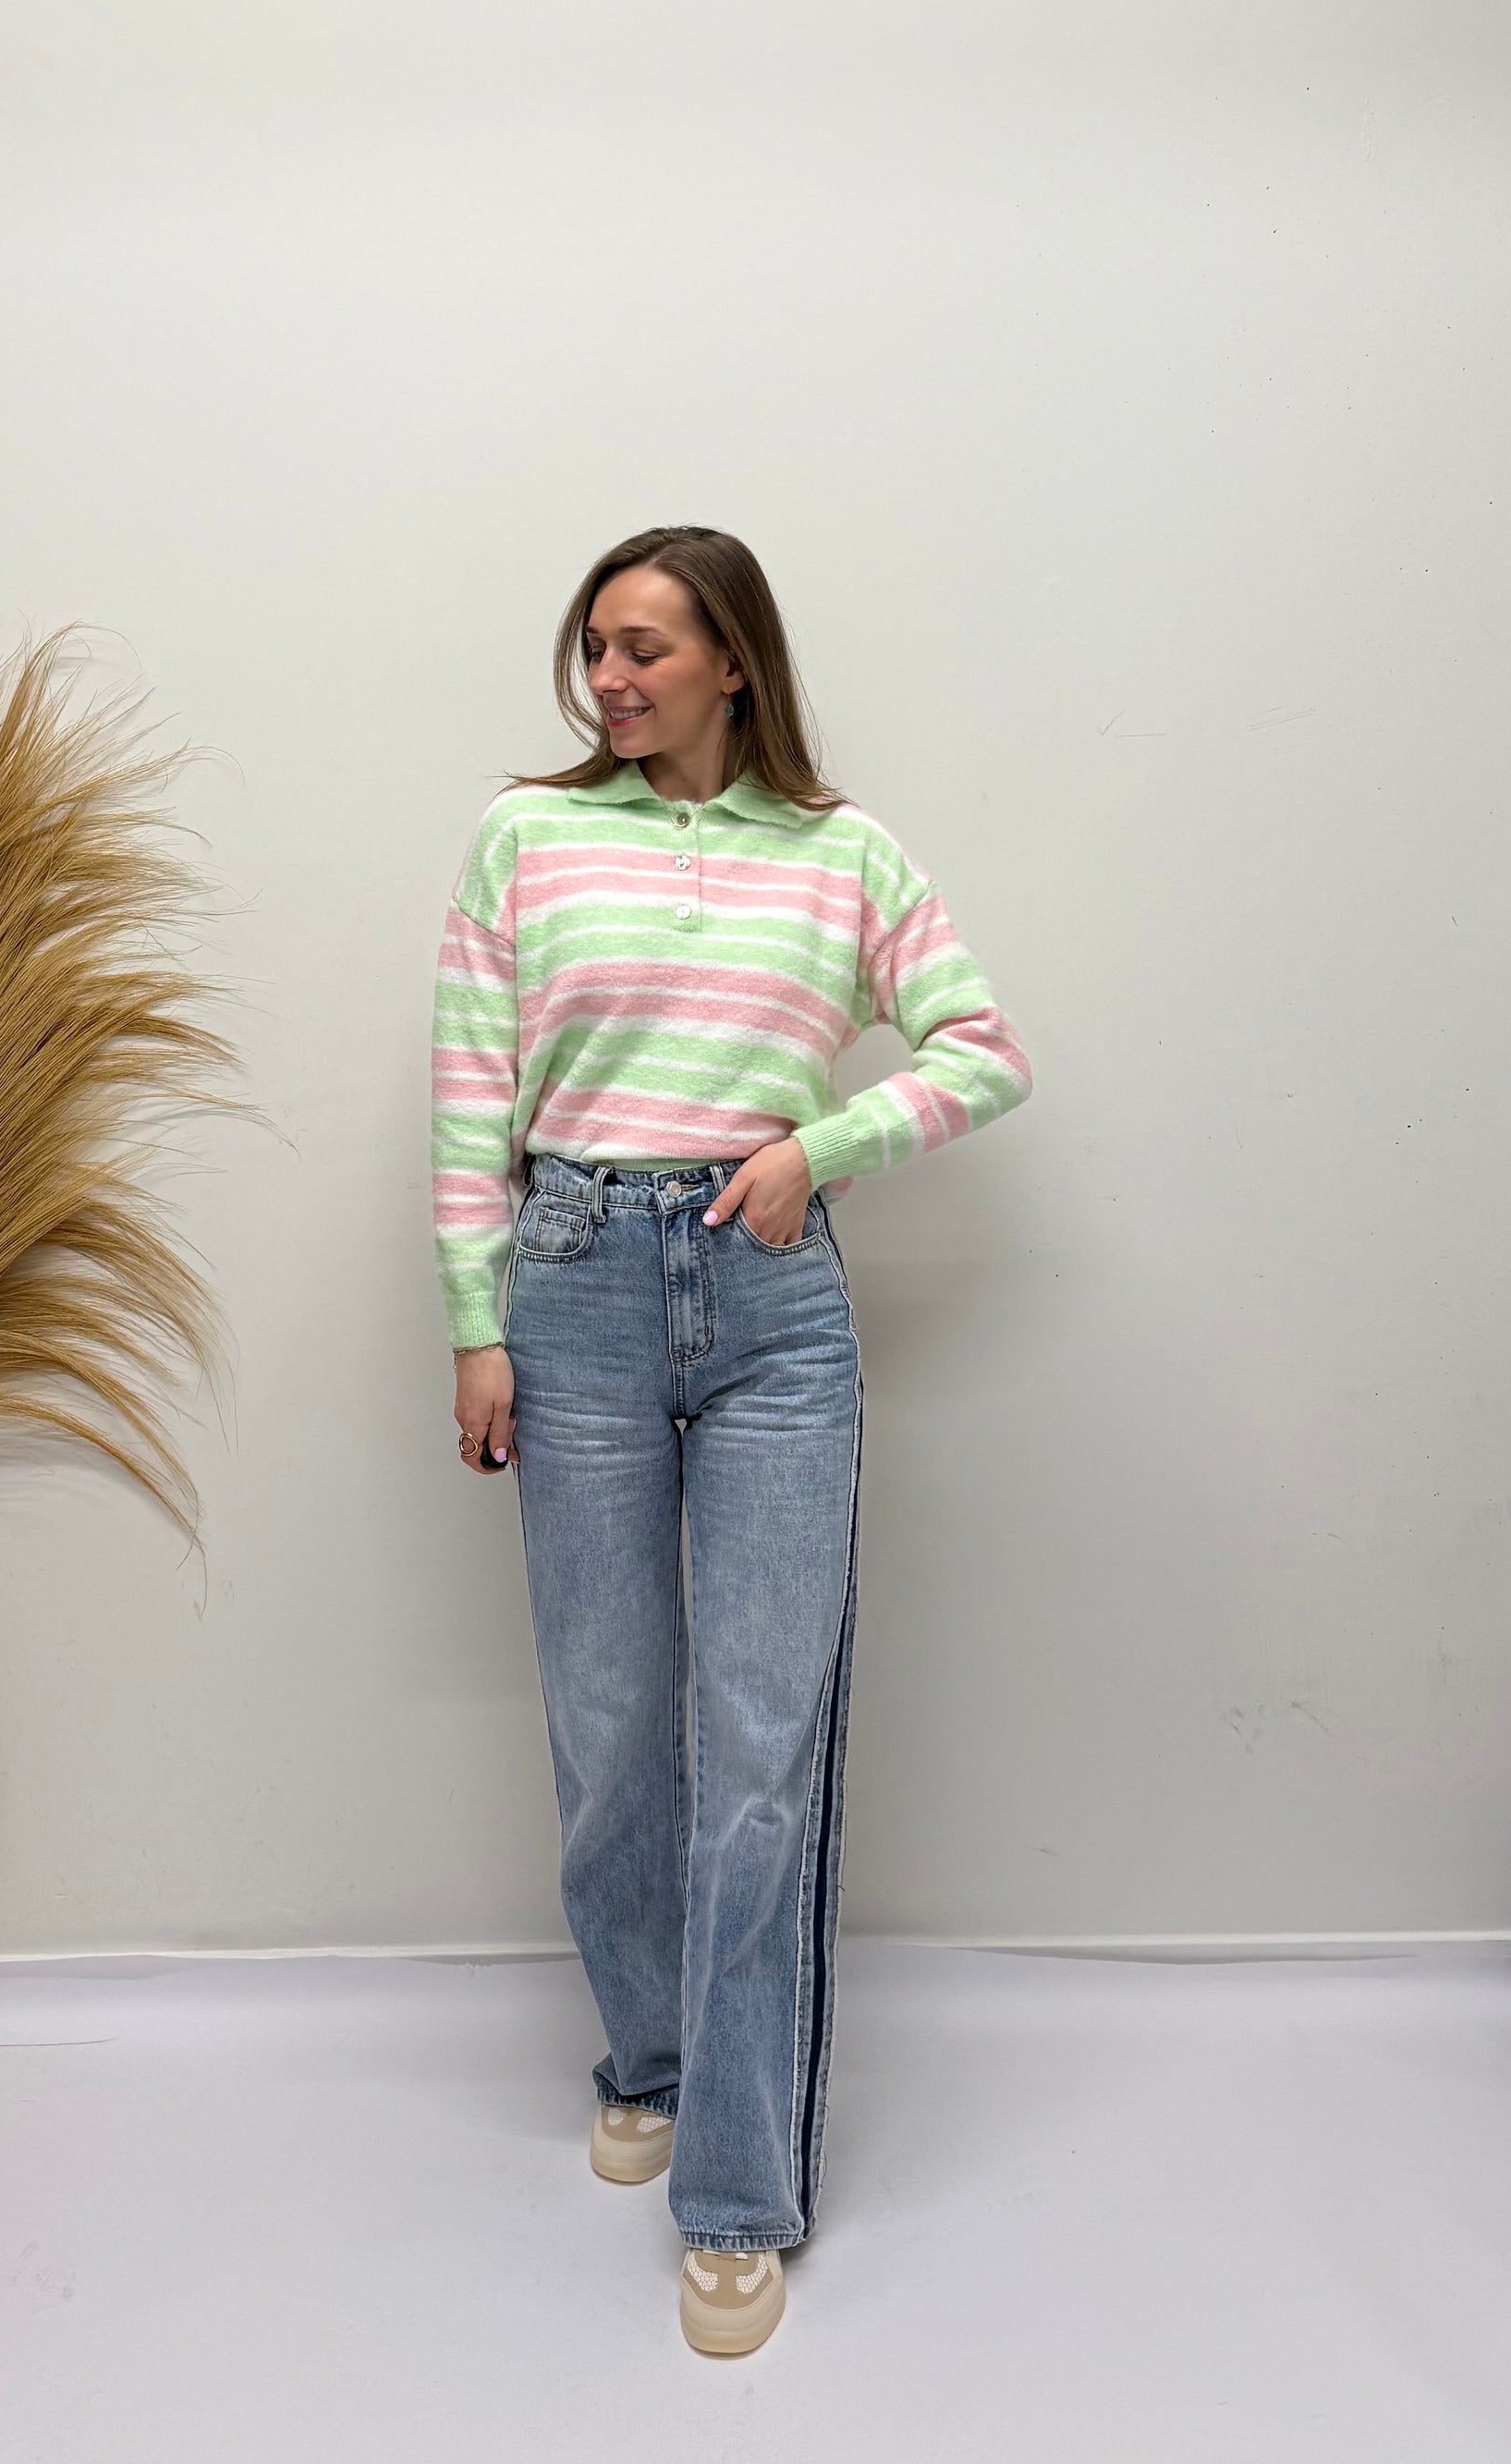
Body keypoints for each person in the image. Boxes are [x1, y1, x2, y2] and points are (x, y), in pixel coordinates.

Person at [428, 525, 1031, 2355]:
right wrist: (475, 1324)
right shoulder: (525, 836)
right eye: (595, 651)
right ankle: (652, 2052)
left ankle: (740, 2189)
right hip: (574, 1286)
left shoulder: (846, 855)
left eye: (642, 649)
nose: (608, 681)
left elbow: (984, 1046)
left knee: (762, 1750)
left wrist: (818, 1149)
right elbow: (470, 1090)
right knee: (613, 1729)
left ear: (733, 663)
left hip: (773, 1306)